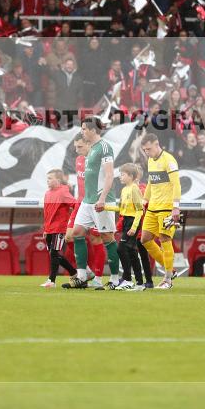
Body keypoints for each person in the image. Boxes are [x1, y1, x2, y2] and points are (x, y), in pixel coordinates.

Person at [63, 118, 120, 289]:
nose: (82, 131)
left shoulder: (104, 147)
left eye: (84, 128)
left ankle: (115, 279)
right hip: (87, 201)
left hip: (101, 200)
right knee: (76, 233)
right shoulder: (92, 149)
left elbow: (109, 175)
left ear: (93, 130)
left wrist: (102, 198)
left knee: (107, 237)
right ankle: (82, 276)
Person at [139, 132, 182, 290]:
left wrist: (176, 206)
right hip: (153, 207)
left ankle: (168, 279)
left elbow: (176, 184)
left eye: (148, 149)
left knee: (165, 239)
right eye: (144, 150)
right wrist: (145, 199)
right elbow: (151, 182)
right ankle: (171, 269)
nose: (147, 152)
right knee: (145, 239)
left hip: (166, 207)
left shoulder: (169, 160)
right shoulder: (150, 160)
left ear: (157, 144)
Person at [105, 163, 146, 290]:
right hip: (127, 221)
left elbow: (140, 210)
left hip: (133, 221)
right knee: (132, 252)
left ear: (131, 176)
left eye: (123, 174)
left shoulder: (134, 189)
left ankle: (127, 279)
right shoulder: (124, 190)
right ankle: (139, 283)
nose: (120, 177)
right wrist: (105, 207)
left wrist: (134, 227)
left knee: (121, 249)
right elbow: (121, 208)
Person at [40, 169, 79, 288]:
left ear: (58, 180)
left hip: (59, 228)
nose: (48, 181)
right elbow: (46, 213)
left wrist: (70, 223)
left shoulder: (63, 192)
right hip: (49, 229)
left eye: (50, 178)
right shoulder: (47, 193)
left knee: (54, 253)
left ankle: (51, 281)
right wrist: (45, 229)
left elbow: (76, 204)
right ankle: (73, 272)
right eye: (47, 178)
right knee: (53, 254)